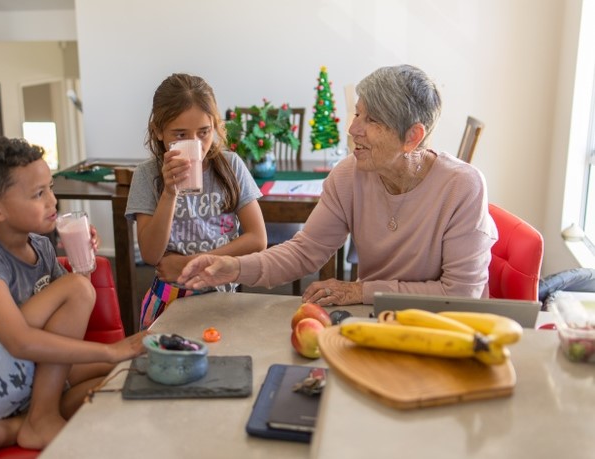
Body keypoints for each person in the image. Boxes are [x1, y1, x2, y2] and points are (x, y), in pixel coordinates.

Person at [178, 65, 498, 305]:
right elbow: (304, 253)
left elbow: (459, 294)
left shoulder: (463, 186)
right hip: (379, 320)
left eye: (371, 120)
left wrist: (362, 290)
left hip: (445, 328)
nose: (353, 128)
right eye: (357, 114)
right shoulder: (349, 176)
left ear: (412, 137)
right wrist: (233, 267)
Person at [0, 137, 147, 458]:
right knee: (103, 345)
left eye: (51, 188)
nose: (52, 201)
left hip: (16, 375)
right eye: (38, 194)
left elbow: (69, 315)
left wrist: (82, 261)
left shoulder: (42, 246)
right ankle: (41, 418)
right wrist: (110, 349)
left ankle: (16, 427)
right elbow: (18, 342)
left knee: (117, 372)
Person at [126, 73, 267, 329]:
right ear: (158, 131)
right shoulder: (147, 175)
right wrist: (169, 193)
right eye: (180, 135)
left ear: (214, 125)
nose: (196, 145)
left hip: (222, 295)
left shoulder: (230, 166)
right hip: (169, 300)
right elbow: (150, 253)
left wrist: (195, 262)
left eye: (204, 132)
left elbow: (258, 238)